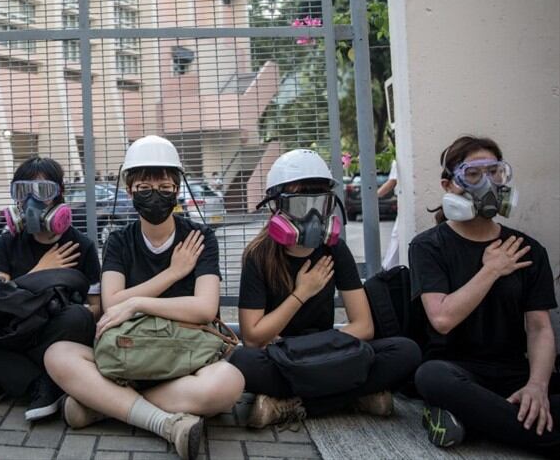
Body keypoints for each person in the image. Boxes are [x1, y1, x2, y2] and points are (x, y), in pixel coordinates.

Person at [44, 136, 245, 460]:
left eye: (164, 186)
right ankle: (165, 423)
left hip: (185, 354)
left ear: (177, 188)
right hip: (127, 352)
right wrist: (173, 273)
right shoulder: (120, 241)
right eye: (144, 186)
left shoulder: (199, 237)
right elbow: (111, 303)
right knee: (57, 354)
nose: (155, 193)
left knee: (228, 383)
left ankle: (105, 405)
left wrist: (137, 302)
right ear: (129, 190)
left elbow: (205, 308)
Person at [228, 149, 421, 429]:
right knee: (239, 361)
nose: (314, 216)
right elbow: (253, 339)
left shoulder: (334, 249)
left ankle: (287, 404)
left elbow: (364, 326)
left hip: (325, 350)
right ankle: (355, 397)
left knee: (406, 351)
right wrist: (301, 294)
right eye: (301, 205)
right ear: (276, 207)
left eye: (321, 203)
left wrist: (322, 344)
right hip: (284, 357)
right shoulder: (258, 256)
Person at [410, 136, 559, 453]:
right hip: (458, 371)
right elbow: (442, 318)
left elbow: (539, 327)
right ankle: (538, 435)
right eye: (474, 174)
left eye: (495, 172)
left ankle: (474, 421)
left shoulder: (529, 249)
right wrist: (491, 269)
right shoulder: (428, 246)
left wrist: (537, 385)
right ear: (449, 185)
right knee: (430, 377)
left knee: (544, 391)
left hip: (513, 371)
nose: (488, 184)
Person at [0, 157, 101, 422]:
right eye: (22, 192)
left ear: (59, 195)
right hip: (7, 330)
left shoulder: (80, 245)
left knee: (79, 317)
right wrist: (41, 272)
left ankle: (2, 377)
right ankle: (40, 382)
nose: (31, 201)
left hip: (48, 335)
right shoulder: (10, 240)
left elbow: (96, 307)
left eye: (43, 191)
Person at [379, 159, 400, 269]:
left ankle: (387, 268)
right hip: (401, 201)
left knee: (397, 236)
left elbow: (392, 182)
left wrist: (373, 195)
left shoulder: (398, 160)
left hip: (403, 202)